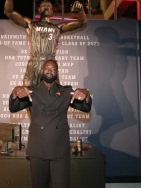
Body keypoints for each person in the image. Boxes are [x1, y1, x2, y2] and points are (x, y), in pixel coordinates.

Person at [9, 59, 92, 188]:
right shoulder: (31, 91)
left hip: (59, 148)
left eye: (53, 69)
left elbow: (85, 107)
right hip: (38, 148)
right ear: (42, 71)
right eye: (47, 68)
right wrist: (15, 91)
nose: (49, 71)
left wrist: (86, 94)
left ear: (57, 72)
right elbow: (13, 108)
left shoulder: (66, 91)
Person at [4, 0, 88, 86]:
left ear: (52, 11)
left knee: (52, 94)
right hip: (35, 63)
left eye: (49, 6)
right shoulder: (31, 24)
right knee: (28, 93)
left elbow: (82, 22)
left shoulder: (57, 28)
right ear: (39, 9)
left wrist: (81, 11)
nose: (46, 6)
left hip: (50, 64)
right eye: (44, 5)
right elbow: (9, 12)